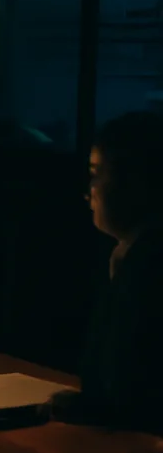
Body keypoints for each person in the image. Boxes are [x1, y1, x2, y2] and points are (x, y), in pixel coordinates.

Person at [49, 111, 163, 433]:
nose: (89, 191)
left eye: (96, 174)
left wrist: (95, 408)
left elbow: (130, 388)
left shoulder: (147, 269)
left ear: (138, 181)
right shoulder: (128, 258)